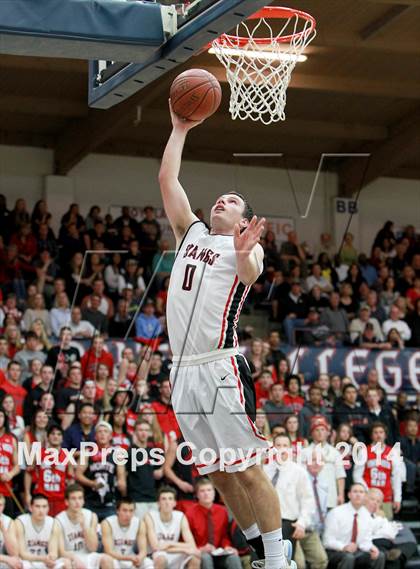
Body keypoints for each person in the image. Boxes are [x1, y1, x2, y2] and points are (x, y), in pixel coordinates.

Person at [160, 101, 296, 569]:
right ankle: (262, 550)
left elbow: (251, 270)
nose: (223, 200)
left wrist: (244, 251)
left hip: (220, 367)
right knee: (218, 473)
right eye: (220, 196)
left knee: (247, 466)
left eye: (234, 201)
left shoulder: (245, 250)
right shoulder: (190, 233)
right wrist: (179, 129)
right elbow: (168, 182)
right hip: (182, 372)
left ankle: (280, 559)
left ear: (243, 222)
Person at [263, 435, 317, 559]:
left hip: (287, 524)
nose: (282, 449)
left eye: (285, 446)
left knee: (283, 562)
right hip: (264, 523)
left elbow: (307, 500)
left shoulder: (299, 472)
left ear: (291, 449)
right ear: (272, 448)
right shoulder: (264, 471)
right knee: (262, 561)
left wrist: (302, 522)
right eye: (278, 445)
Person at [186, 478, 244, 569]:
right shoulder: (190, 513)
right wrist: (200, 548)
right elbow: (186, 539)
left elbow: (224, 535)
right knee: (206, 558)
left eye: (209, 490)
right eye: (202, 491)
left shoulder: (222, 511)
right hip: (200, 552)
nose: (206, 494)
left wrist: (227, 546)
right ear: (197, 494)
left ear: (214, 492)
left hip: (219, 552)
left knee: (233, 558)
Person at [323, 484, 385, 569]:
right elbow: (327, 540)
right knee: (349, 558)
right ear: (349, 495)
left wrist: (371, 548)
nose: (358, 495)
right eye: (355, 491)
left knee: (379, 555)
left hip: (355, 551)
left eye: (361, 492)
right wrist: (344, 547)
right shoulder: (336, 513)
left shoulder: (366, 516)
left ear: (365, 496)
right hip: (335, 551)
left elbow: (364, 541)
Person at [75, 421, 127, 521]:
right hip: (90, 502)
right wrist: (92, 483)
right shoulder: (87, 452)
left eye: (105, 432)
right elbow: (78, 474)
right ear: (95, 436)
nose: (102, 434)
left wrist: (122, 490)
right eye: (100, 432)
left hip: (110, 503)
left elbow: (121, 479)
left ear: (110, 436)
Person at [57, 483, 113, 569]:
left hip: (87, 555)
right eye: (73, 499)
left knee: (107, 559)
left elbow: (93, 548)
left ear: (83, 500)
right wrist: (75, 559)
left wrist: (84, 526)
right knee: (65, 564)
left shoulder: (91, 516)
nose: (77, 502)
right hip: (68, 557)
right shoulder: (58, 520)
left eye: (80, 498)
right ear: (66, 502)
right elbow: (61, 551)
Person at [353, 422, 402, 520]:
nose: (378, 435)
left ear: (385, 435)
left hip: (386, 497)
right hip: (368, 497)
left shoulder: (393, 452)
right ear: (371, 435)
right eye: (375, 432)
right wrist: (367, 491)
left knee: (385, 527)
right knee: (365, 526)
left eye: (381, 432)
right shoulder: (364, 451)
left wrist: (397, 498)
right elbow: (357, 475)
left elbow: (397, 477)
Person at [145, 486, 200, 569]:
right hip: (156, 554)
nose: (167, 502)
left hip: (174, 552)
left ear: (175, 503)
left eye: (170, 499)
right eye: (163, 499)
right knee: (161, 559)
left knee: (195, 559)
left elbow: (192, 545)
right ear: (158, 503)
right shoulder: (150, 516)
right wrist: (183, 549)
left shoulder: (180, 516)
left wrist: (169, 543)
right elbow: (156, 547)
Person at [24, 425, 73, 515]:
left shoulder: (67, 456)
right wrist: (27, 494)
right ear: (47, 437)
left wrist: (70, 498)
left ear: (62, 438)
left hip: (60, 500)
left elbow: (70, 480)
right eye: (53, 434)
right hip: (42, 499)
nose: (55, 436)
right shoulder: (39, 453)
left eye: (59, 434)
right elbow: (28, 473)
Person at [14, 494, 71, 569]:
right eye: (37, 506)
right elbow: (22, 554)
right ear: (30, 508)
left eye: (44, 506)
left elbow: (53, 552)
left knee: (66, 563)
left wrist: (51, 558)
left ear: (48, 508)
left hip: (44, 561)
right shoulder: (20, 522)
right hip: (27, 561)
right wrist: (43, 558)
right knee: (17, 565)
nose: (41, 510)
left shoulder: (53, 523)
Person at [127, 419, 163, 521]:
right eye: (140, 430)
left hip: (153, 498)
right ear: (135, 432)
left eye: (146, 430)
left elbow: (160, 471)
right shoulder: (129, 452)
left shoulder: (154, 452)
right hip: (137, 499)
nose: (144, 433)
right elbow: (123, 475)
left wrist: (162, 470)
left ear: (150, 432)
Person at [101, 498, 153, 569]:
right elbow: (108, 551)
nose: (128, 514)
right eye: (124, 510)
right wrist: (128, 558)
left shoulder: (140, 523)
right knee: (106, 560)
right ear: (117, 511)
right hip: (115, 559)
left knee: (148, 562)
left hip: (131, 558)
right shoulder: (107, 523)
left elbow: (143, 550)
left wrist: (139, 558)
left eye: (131, 511)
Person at [0, 409, 20, 517]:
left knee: (8, 524)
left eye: (1, 416)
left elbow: (17, 466)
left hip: (6, 488)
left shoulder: (11, 439)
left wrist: (10, 474)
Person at [0, 493, 21, 569]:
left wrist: (4, 530)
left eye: (0, 505)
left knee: (17, 564)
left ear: (4, 507)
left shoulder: (8, 521)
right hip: (3, 558)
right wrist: (7, 559)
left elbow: (14, 553)